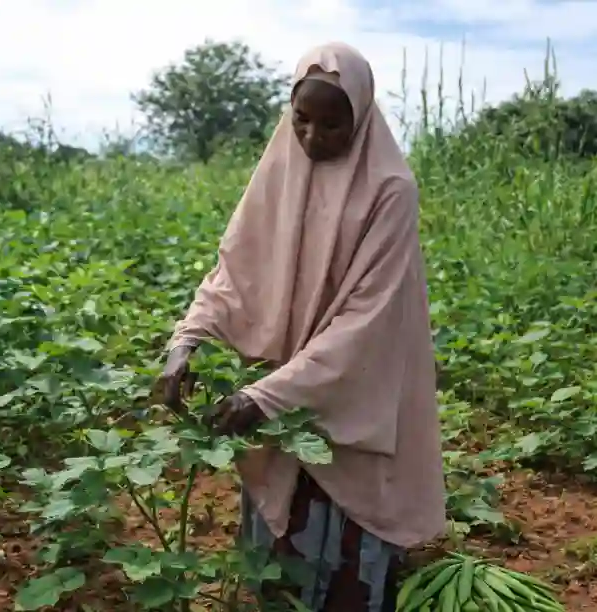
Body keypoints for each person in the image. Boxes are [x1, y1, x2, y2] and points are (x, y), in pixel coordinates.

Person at [159, 42, 446, 612]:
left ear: (360, 117)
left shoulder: (390, 190)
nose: (314, 138)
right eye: (302, 121)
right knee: (276, 562)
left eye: (333, 124)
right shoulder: (277, 174)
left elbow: (362, 325)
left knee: (344, 561)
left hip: (352, 390)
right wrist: (184, 341)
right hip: (276, 391)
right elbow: (234, 271)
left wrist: (265, 396)